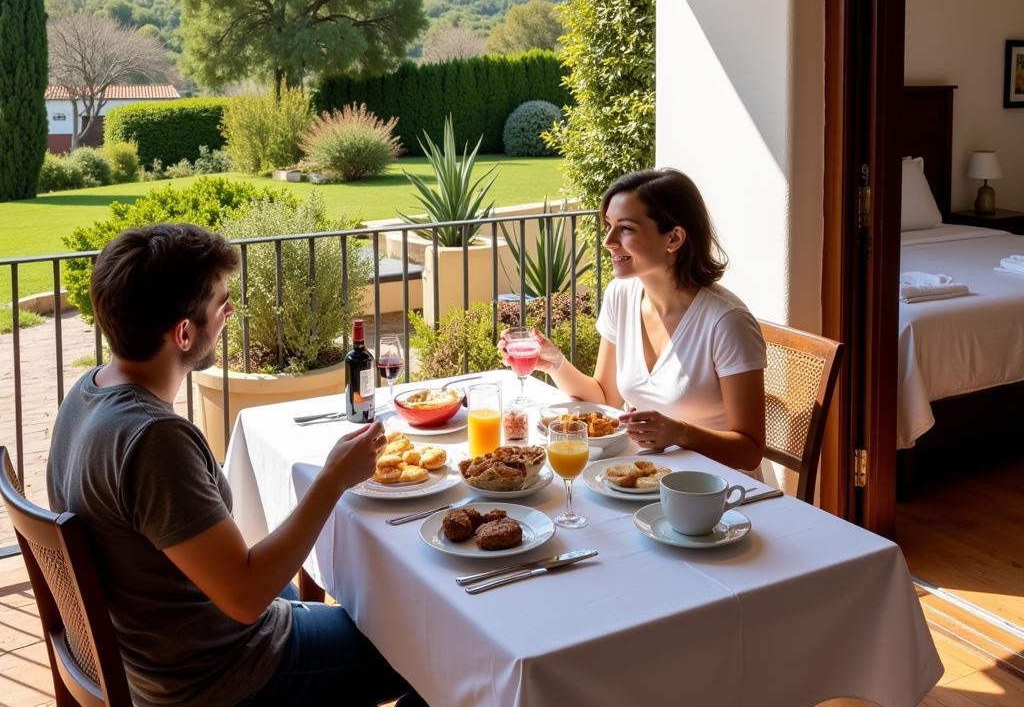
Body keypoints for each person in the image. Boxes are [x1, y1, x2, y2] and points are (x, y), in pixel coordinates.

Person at [47, 223, 425, 707]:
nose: (229, 313)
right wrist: (333, 479)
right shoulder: (155, 440)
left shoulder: (88, 390)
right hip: (218, 677)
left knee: (325, 595)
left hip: (163, 648)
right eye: (221, 304)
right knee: (431, 647)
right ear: (184, 332)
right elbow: (245, 597)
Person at [502, 168, 767, 476]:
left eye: (625, 229)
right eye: (609, 226)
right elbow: (605, 397)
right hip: (646, 478)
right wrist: (555, 363)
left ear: (674, 238)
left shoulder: (726, 321)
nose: (608, 241)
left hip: (718, 493)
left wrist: (680, 433)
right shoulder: (622, 294)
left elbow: (749, 452)